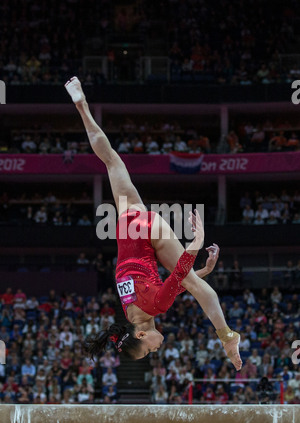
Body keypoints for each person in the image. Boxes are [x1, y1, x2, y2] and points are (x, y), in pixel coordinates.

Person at [64, 77, 242, 371]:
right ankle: (82, 106)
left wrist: (195, 245)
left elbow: (174, 282)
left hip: (149, 233)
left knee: (197, 286)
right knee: (111, 162)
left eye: (147, 351)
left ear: (142, 334)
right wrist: (202, 270)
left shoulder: (156, 308)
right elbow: (160, 288)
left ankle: (227, 335)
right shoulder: (128, 308)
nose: (154, 351)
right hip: (126, 226)